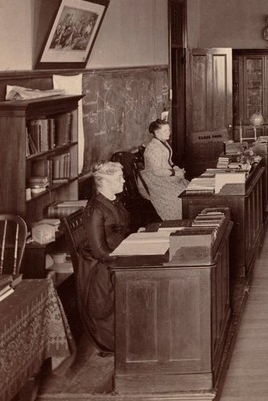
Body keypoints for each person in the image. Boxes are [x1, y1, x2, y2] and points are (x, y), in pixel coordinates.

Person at [80, 160, 130, 353]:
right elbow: (101, 252)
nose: (124, 181)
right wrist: (128, 256)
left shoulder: (114, 202)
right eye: (119, 178)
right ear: (105, 182)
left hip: (117, 257)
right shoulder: (95, 210)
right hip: (103, 268)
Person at [142, 119, 190, 220]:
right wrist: (175, 173)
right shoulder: (153, 148)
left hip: (164, 175)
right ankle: (179, 221)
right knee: (179, 197)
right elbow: (157, 171)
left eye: (168, 130)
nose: (168, 132)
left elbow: (168, 161)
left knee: (189, 186)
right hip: (155, 180)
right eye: (165, 131)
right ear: (157, 132)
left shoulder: (163, 142)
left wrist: (175, 167)